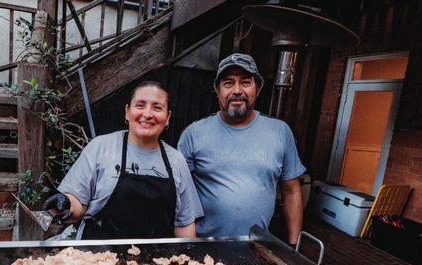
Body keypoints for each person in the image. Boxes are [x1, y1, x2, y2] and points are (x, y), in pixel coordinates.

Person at [43, 81, 203, 239]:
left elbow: (184, 226)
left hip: (155, 262)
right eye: (140, 105)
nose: (147, 114)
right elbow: (78, 205)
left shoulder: (176, 161)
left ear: (167, 118)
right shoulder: (101, 147)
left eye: (157, 107)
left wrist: (189, 257)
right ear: (127, 112)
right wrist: (66, 203)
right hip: (95, 260)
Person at [177, 53, 306, 245]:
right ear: (217, 89)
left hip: (257, 247)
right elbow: (179, 194)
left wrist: (295, 245)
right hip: (204, 247)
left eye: (245, 82)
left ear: (258, 88)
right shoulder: (194, 134)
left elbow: (292, 192)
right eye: (228, 83)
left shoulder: (280, 132)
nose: (237, 90)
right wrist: (188, 244)